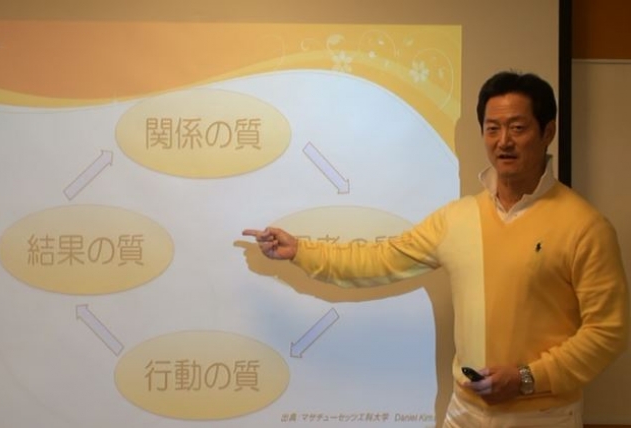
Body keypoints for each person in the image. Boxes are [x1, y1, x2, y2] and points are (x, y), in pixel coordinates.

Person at [242, 70, 629, 427]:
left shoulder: (584, 226)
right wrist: (301, 250)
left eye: (517, 127)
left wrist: (528, 378)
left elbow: (607, 331)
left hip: (543, 415)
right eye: (492, 128)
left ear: (548, 132)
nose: (503, 141)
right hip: (466, 413)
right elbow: (379, 259)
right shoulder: (457, 218)